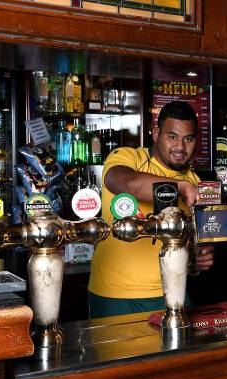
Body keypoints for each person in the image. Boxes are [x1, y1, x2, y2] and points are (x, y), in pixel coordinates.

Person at [89, 101, 214, 319]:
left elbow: (195, 239)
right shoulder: (128, 158)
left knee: (182, 354)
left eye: (189, 139)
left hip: (174, 291)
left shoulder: (195, 182)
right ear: (156, 133)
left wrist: (199, 256)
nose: (180, 147)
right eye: (172, 137)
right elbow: (126, 183)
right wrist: (180, 187)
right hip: (116, 294)